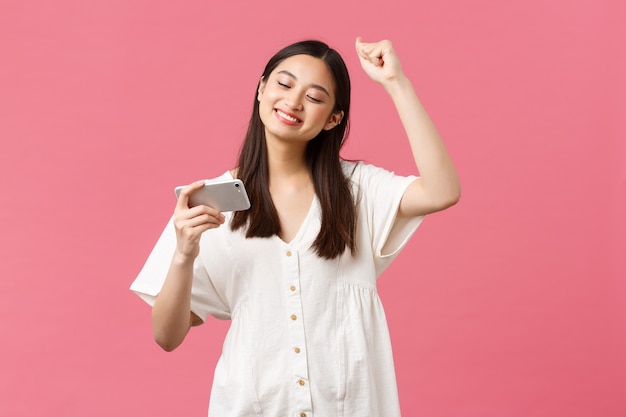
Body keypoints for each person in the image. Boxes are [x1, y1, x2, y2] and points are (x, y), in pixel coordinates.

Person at [131, 37, 461, 417]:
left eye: (315, 97)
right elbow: (167, 336)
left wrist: (396, 84)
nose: (293, 102)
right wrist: (183, 255)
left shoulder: (360, 191)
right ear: (261, 89)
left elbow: (442, 191)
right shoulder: (210, 203)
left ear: (334, 118)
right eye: (284, 84)